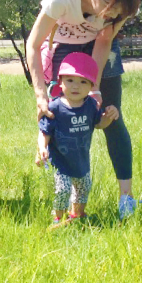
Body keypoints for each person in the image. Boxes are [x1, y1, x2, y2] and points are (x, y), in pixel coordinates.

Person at [25, 0, 142, 219]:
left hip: (101, 50)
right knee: (62, 122)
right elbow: (33, 44)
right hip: (65, 48)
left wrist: (96, 87)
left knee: (112, 118)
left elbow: (104, 39)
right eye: (109, 12)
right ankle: (68, 203)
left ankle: (127, 198)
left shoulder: (123, 1)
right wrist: (40, 95)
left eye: (119, 15)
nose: (111, 18)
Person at [36, 53, 120, 226]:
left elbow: (99, 124)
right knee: (63, 190)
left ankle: (78, 214)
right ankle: (58, 218)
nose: (76, 86)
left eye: (83, 82)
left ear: (91, 85)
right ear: (60, 82)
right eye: (70, 80)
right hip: (61, 161)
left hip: (81, 160)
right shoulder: (55, 107)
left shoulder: (90, 105)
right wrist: (42, 148)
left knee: (83, 188)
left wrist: (110, 116)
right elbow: (44, 130)